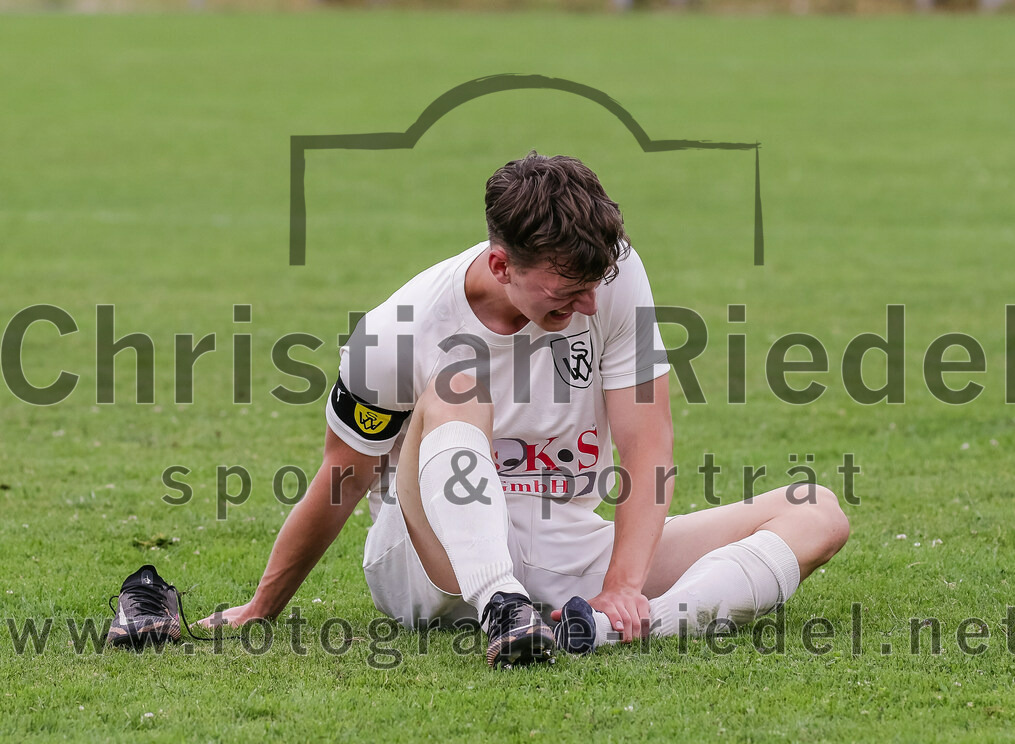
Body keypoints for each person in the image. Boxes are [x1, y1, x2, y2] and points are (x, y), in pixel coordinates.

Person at [200, 152, 849, 669]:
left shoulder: (612, 277)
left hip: (564, 547)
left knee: (816, 511)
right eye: (567, 295)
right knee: (459, 387)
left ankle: (598, 632)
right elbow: (340, 481)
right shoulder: (397, 330)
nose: (590, 308)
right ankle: (500, 602)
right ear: (502, 263)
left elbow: (648, 444)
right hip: (432, 567)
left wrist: (623, 586)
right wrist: (263, 605)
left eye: (594, 287)